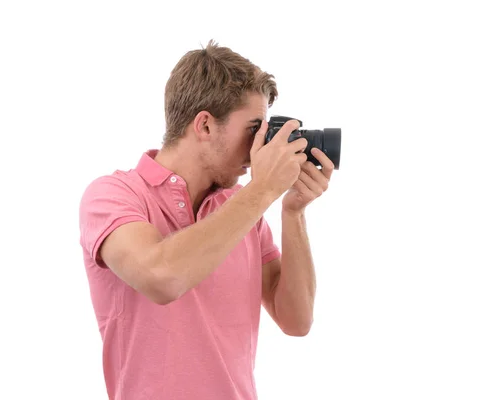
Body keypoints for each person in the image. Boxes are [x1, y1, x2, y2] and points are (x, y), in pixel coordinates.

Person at [78, 40, 334, 400]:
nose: (259, 146)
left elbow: (296, 320)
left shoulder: (242, 209)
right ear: (205, 125)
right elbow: (162, 278)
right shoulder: (113, 195)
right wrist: (261, 191)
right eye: (253, 128)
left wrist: (293, 211)